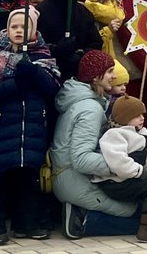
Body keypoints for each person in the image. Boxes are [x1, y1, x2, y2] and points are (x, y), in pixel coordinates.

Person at [0, 8, 60, 244]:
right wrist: (16, 83)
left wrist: (34, 73)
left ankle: (28, 224)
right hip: (2, 127)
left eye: (24, 27)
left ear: (34, 31)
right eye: (14, 26)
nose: (18, 31)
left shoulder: (42, 55)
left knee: (28, 179)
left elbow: (53, 86)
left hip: (32, 128)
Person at [51, 50, 141, 240]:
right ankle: (82, 221)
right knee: (134, 214)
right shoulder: (90, 108)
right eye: (109, 71)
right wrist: (121, 167)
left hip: (66, 176)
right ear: (95, 77)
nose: (114, 76)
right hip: (74, 180)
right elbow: (82, 159)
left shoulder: (83, 101)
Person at [95, 95, 147, 244]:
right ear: (125, 117)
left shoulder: (141, 133)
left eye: (143, 114)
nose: (142, 118)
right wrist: (139, 171)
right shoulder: (114, 135)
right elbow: (118, 162)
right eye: (137, 115)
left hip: (133, 178)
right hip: (116, 182)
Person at [38, 0, 104, 83]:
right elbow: (32, 45)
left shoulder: (83, 12)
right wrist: (56, 50)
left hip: (78, 78)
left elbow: (95, 43)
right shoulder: (40, 12)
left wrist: (81, 55)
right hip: (47, 77)